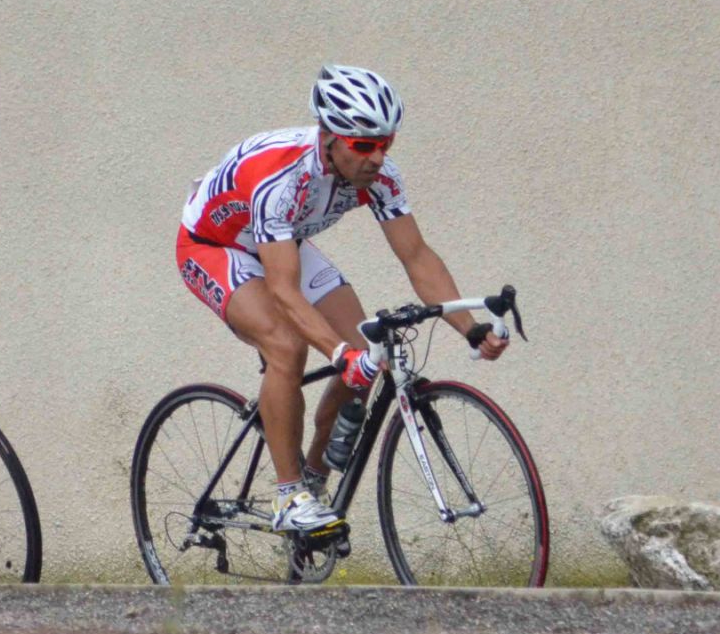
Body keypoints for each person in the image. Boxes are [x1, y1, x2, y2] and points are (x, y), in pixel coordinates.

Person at [177, 64, 509, 545]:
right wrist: (337, 354)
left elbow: (417, 256)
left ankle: (313, 482)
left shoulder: (381, 177)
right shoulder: (280, 175)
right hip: (215, 245)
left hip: (282, 242)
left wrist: (470, 328)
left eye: (385, 143)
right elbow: (284, 291)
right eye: (363, 145)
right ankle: (288, 497)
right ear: (330, 137)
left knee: (367, 353)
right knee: (287, 345)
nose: (377, 157)